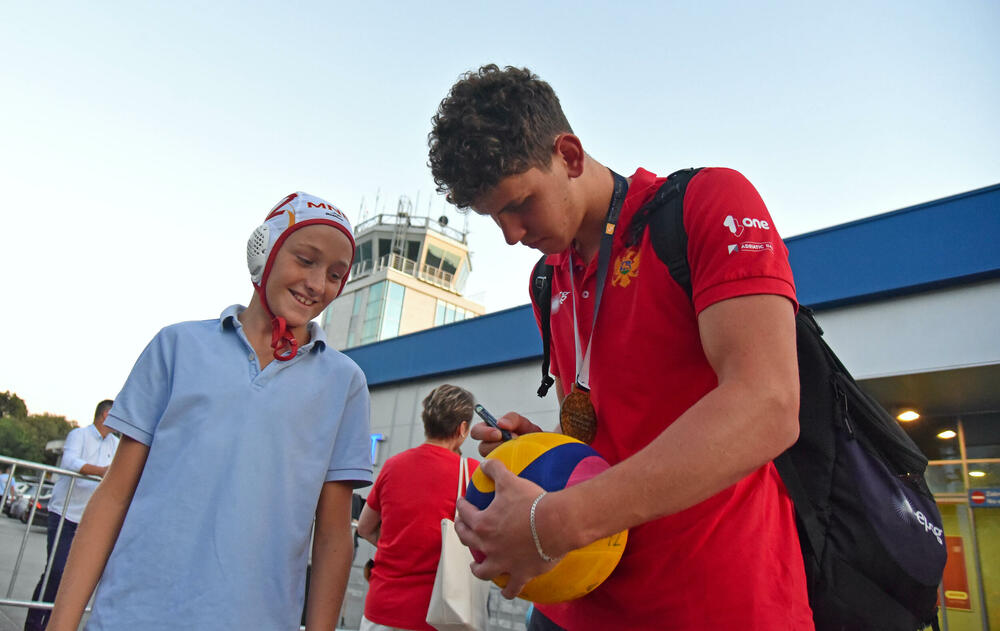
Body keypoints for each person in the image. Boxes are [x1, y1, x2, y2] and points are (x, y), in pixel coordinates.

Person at [427, 65, 813, 631]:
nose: (511, 234)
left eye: (521, 204)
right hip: (573, 603)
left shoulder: (708, 203)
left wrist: (553, 521)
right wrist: (542, 453)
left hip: (713, 603)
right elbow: (606, 437)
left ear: (569, 155)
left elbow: (768, 405)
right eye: (494, 218)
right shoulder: (547, 279)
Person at [47, 192, 374, 631]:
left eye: (335, 274)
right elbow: (114, 495)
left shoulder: (344, 383)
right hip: (132, 616)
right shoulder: (177, 346)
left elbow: (333, 535)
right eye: (305, 260)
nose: (318, 284)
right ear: (264, 251)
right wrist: (61, 624)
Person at [357, 384, 479, 631]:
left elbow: (364, 528)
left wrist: (398, 546)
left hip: (381, 609)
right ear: (462, 428)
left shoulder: (393, 466)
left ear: (427, 422)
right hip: (439, 615)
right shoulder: (471, 474)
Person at [24, 400, 119, 631]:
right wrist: (101, 472)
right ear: (106, 415)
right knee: (56, 571)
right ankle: (34, 624)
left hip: (90, 521)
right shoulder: (79, 435)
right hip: (64, 515)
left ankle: (56, 625)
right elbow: (70, 462)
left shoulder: (117, 444)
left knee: (75, 578)